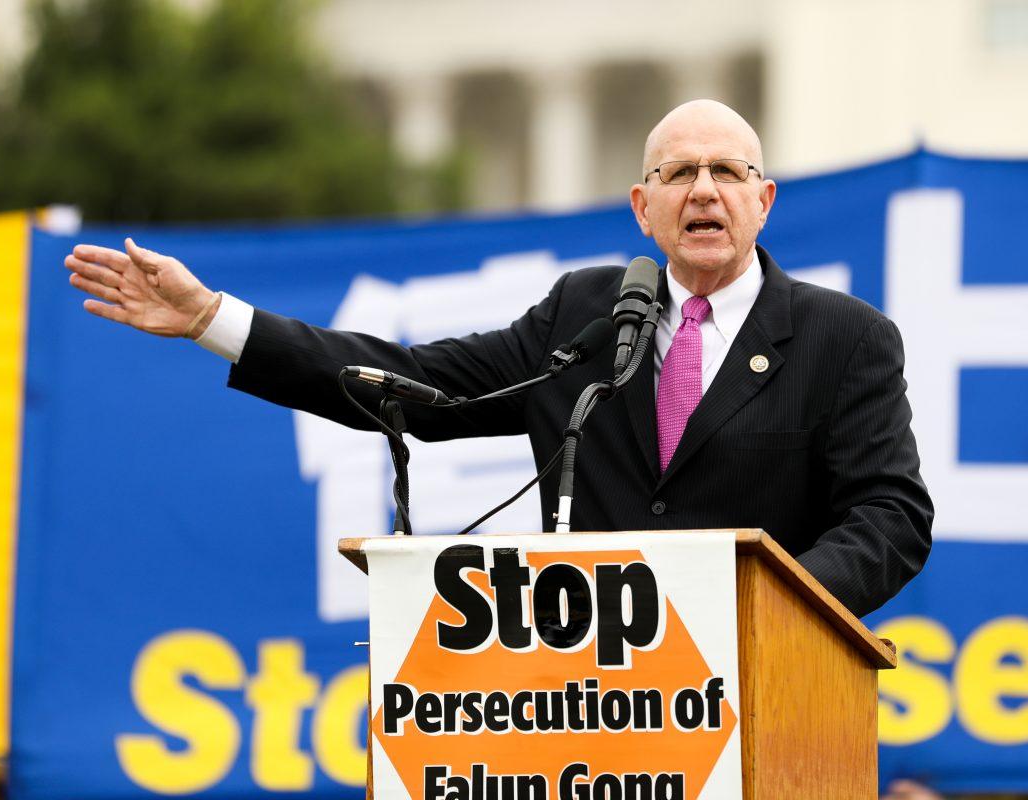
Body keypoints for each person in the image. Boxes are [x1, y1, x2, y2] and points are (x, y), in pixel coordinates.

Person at [64, 99, 932, 617]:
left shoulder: (843, 340)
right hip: (595, 703)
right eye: (677, 174)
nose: (703, 190)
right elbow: (415, 386)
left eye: (727, 172)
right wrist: (217, 318)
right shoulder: (589, 314)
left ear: (764, 200)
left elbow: (891, 515)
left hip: (762, 692)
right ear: (642, 206)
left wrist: (769, 606)